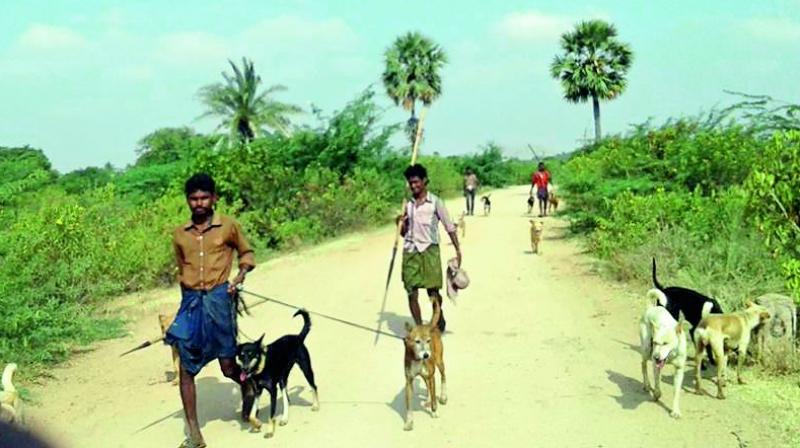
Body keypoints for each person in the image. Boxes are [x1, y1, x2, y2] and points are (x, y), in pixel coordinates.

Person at [165, 173, 256, 448]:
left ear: (214, 198)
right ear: (188, 201)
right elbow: (182, 269)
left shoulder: (229, 226)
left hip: (219, 299)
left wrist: (238, 279)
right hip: (191, 302)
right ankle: (194, 434)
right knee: (186, 369)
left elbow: (247, 254)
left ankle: (247, 385)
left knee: (228, 366)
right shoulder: (180, 234)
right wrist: (184, 311)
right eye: (194, 198)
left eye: (204, 197)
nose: (199, 203)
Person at [398, 164, 461, 332]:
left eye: (416, 182)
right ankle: (420, 328)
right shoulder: (408, 205)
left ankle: (438, 317)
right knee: (411, 291)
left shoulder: (435, 203)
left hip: (430, 251)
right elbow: (403, 233)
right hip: (410, 251)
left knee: (432, 292)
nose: (413, 186)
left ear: (425, 181)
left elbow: (449, 227)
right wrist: (401, 223)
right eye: (410, 183)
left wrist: (458, 250)